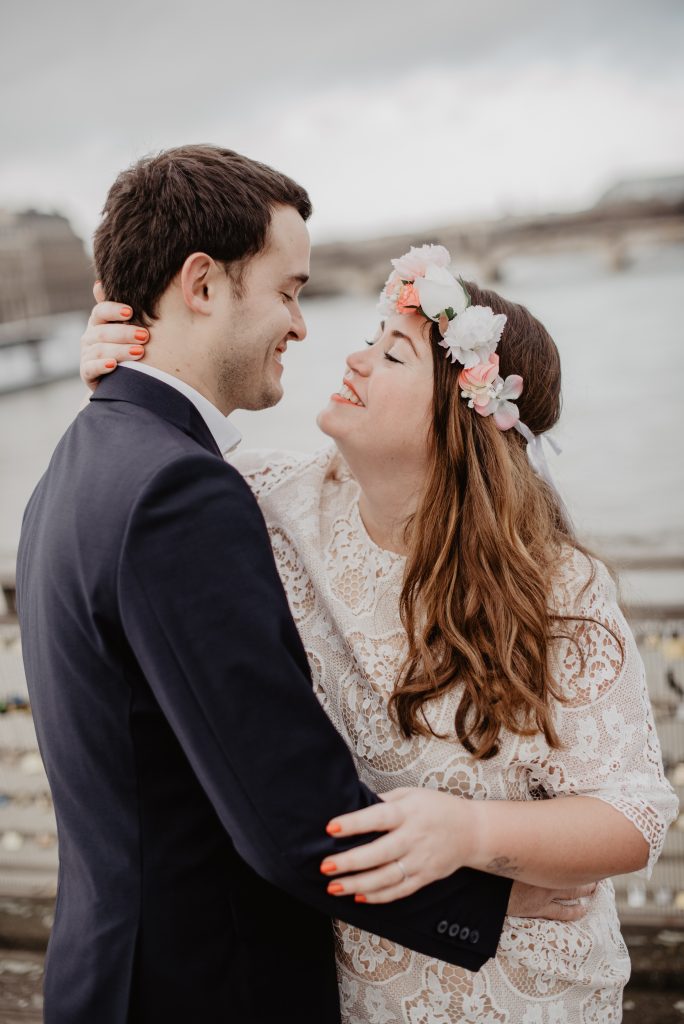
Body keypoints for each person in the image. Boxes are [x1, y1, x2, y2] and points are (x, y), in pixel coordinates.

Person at [15, 147, 560, 1024]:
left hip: (110, 971)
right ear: (202, 285)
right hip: (206, 988)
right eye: (289, 290)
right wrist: (496, 899)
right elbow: (285, 818)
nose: (304, 327)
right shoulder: (177, 493)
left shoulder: (80, 463)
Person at [82, 240, 678, 1022]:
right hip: (351, 989)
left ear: (461, 414)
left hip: (529, 986)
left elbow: (632, 818)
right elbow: (141, 462)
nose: (355, 362)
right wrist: (120, 374)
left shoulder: (558, 585)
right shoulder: (264, 505)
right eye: (369, 340)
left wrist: (470, 830)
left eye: (391, 354)